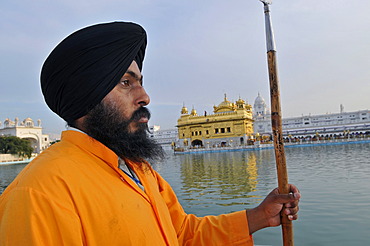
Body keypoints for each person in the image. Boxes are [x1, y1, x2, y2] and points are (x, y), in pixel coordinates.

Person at [0, 21, 300, 246]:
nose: (145, 96)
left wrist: (259, 217)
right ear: (86, 95)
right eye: (126, 83)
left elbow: (182, 234)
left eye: (140, 81)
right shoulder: (40, 194)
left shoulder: (137, 170)